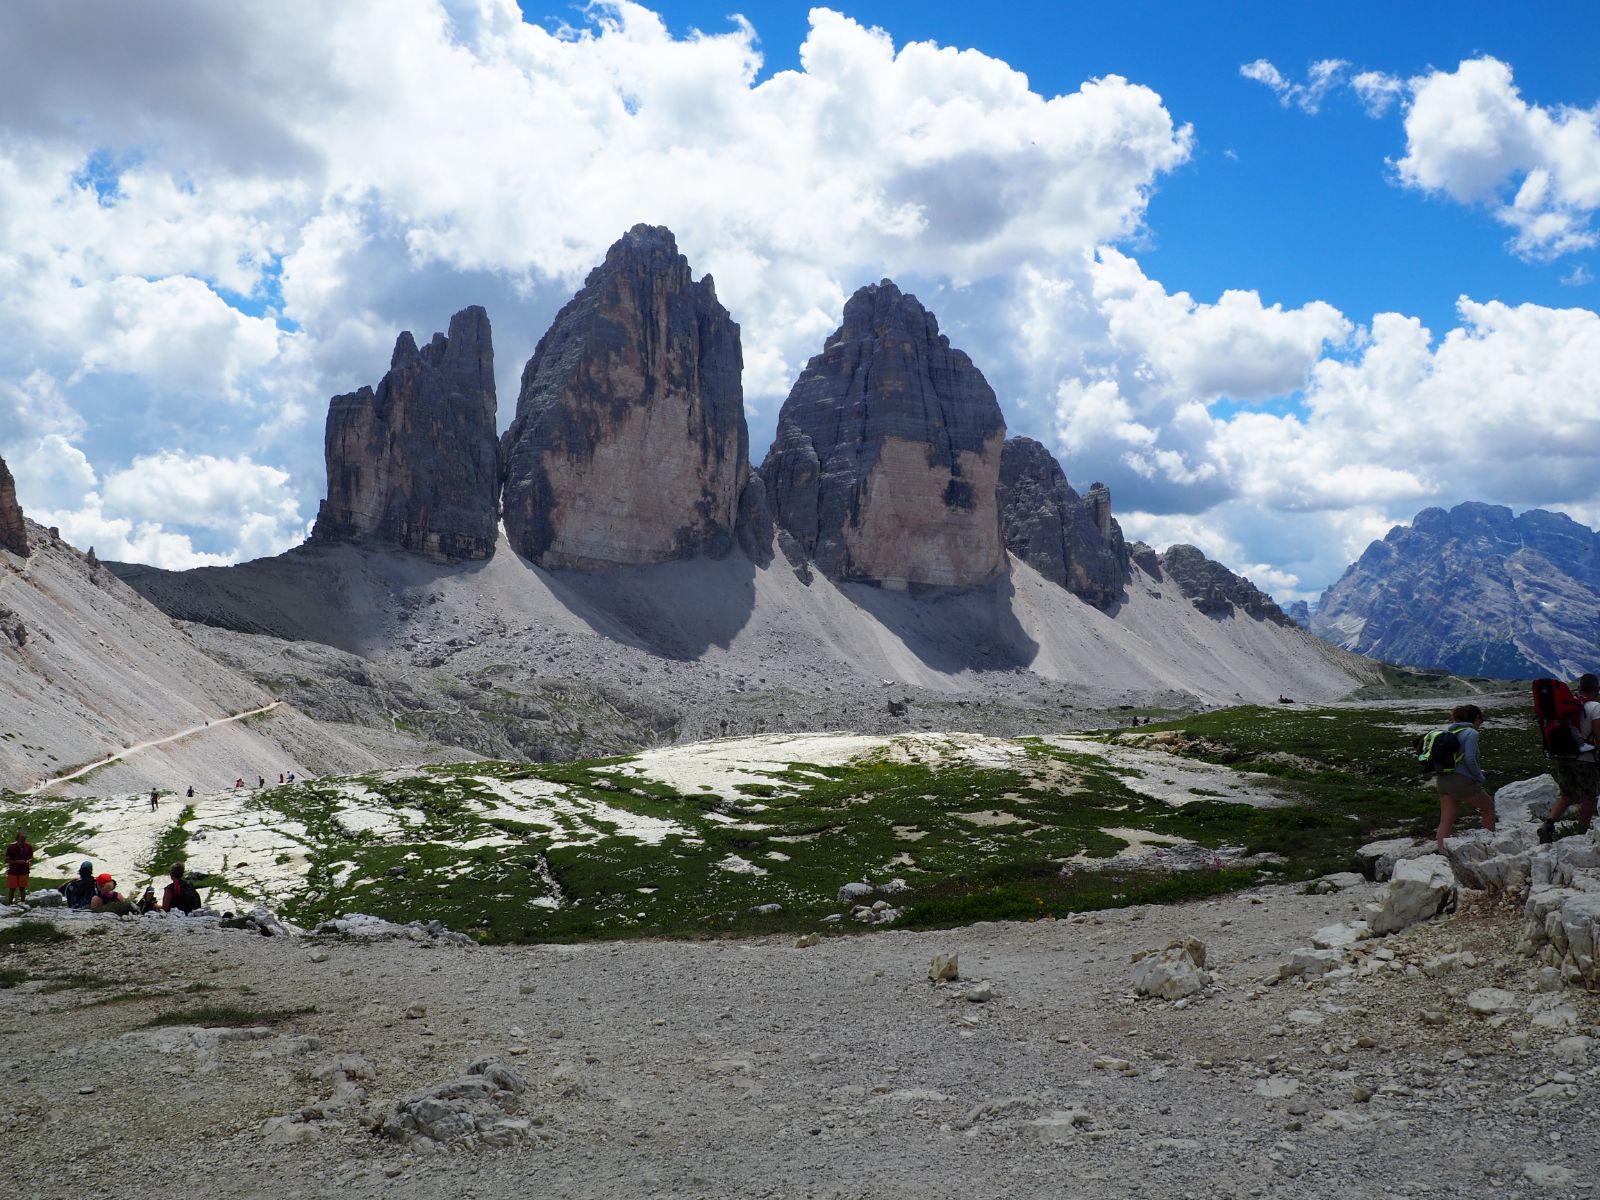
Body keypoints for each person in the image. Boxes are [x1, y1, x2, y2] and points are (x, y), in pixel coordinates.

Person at [1540, 673, 1600, 843]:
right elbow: (1598, 735)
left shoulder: (1566, 704)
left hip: (1562, 755)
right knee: (1589, 796)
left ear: (1580, 688)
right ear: (1596, 689)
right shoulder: (1595, 707)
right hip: (1585, 758)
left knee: (1567, 794)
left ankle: (1548, 826)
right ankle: (1581, 832)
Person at [1434, 703, 1495, 851]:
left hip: (1443, 779)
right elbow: (1470, 759)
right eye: (1481, 719)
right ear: (1476, 718)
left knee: (1446, 820)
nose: (1481, 723)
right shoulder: (1471, 733)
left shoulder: (1449, 731)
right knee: (1488, 809)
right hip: (1462, 781)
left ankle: (1443, 853)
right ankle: (1489, 846)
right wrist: (1479, 777)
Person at [5, 828, 34, 902]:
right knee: (12, 888)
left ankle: (23, 903)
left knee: (22, 888)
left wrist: (28, 861)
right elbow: (7, 860)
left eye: (24, 839)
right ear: (17, 839)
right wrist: (17, 861)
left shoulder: (28, 846)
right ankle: (10, 903)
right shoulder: (11, 847)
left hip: (24, 870)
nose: (23, 841)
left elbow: (31, 857)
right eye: (22, 839)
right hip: (13, 871)